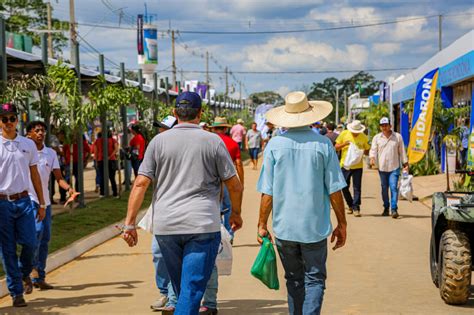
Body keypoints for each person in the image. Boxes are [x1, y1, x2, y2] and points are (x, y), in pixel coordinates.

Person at [122, 92, 243, 314]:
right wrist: (236, 213)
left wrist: (130, 223)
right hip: (202, 225)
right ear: (200, 113)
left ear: (175, 113)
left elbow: (140, 183)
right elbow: (234, 185)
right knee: (191, 290)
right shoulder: (213, 141)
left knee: (181, 289)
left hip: (166, 227)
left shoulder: (158, 142)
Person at [257, 91, 347, 315]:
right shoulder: (323, 144)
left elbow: (267, 193)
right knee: (315, 279)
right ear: (310, 114)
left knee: (294, 280)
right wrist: (342, 223)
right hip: (314, 228)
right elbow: (335, 189)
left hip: (284, 228)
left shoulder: (275, 145)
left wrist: (261, 223)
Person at [0, 103, 46, 307]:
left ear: (18, 120)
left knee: (30, 242)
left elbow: (34, 174)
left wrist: (42, 202)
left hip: (24, 201)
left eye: (12, 118)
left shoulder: (27, 145)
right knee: (7, 249)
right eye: (4, 119)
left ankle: (23, 271)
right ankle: (16, 292)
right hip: (2, 203)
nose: (9, 123)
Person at [26, 121, 79, 290]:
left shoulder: (50, 153)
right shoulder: (25, 152)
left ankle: (39, 277)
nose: (40, 133)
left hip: (45, 201)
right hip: (30, 199)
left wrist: (70, 189)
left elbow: (59, 178)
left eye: (42, 130)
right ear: (29, 134)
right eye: (37, 130)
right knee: (37, 232)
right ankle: (29, 270)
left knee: (45, 239)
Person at [203, 117, 245, 314]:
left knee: (218, 211)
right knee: (228, 209)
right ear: (226, 128)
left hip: (212, 184)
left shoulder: (208, 141)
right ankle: (229, 236)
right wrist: (239, 184)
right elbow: (238, 164)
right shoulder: (231, 143)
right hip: (229, 180)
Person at [369, 117, 408, 218]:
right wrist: (372, 158)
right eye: (382, 126)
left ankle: (394, 209)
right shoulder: (377, 138)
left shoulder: (397, 137)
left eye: (386, 125)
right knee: (384, 188)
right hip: (382, 167)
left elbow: (402, 150)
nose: (384, 127)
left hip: (394, 167)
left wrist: (405, 163)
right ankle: (386, 207)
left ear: (390, 125)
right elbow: (373, 149)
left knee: (393, 187)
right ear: (380, 127)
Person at [335, 120, 370, 217]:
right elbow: (336, 147)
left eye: (357, 131)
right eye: (354, 131)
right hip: (345, 165)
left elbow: (367, 150)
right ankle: (350, 204)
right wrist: (344, 144)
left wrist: (362, 151)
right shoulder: (344, 134)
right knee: (344, 186)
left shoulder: (363, 137)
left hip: (358, 166)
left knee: (357, 187)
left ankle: (356, 207)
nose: (355, 133)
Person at [94, 130, 119, 197]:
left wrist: (96, 161)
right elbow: (116, 149)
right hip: (111, 160)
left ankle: (102, 193)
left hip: (100, 160)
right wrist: (110, 156)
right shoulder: (113, 140)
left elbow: (95, 152)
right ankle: (115, 193)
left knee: (102, 177)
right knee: (112, 177)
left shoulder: (97, 141)